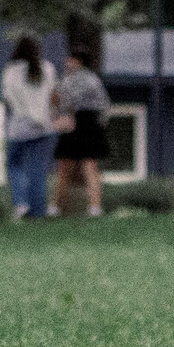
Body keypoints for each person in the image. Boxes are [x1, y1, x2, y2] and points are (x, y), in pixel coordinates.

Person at [0, 34, 59, 220]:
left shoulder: (11, 71)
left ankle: (21, 202)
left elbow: (7, 99)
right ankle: (38, 212)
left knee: (13, 164)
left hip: (19, 126)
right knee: (38, 170)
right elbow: (54, 98)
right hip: (43, 126)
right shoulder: (48, 69)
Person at [54, 45, 112, 218]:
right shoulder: (94, 79)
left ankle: (56, 207)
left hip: (75, 123)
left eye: (70, 59)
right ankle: (95, 207)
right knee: (90, 168)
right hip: (91, 125)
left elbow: (64, 102)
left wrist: (57, 118)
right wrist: (100, 125)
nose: (67, 62)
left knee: (64, 169)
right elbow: (105, 105)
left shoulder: (69, 80)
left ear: (77, 61)